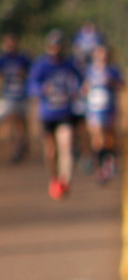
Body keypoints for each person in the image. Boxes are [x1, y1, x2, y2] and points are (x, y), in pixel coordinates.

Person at [28, 30, 83, 200]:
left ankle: (65, 181)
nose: (56, 48)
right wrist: (42, 89)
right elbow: (31, 86)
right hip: (48, 114)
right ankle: (54, 179)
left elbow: (82, 80)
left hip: (65, 112)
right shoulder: (41, 65)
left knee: (67, 145)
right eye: (53, 45)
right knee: (51, 152)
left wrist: (79, 90)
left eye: (59, 45)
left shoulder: (70, 64)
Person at [82, 44, 124, 184]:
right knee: (97, 137)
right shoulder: (89, 71)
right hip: (94, 109)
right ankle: (100, 167)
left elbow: (122, 85)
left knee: (109, 136)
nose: (102, 57)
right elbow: (83, 88)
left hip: (109, 108)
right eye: (99, 54)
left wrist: (112, 82)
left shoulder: (113, 70)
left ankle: (110, 160)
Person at [0, 32, 33, 164]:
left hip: (22, 95)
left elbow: (32, 75)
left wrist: (25, 75)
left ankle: (21, 146)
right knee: (7, 121)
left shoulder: (23, 59)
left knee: (22, 123)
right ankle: (14, 147)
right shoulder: (3, 60)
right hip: (8, 96)